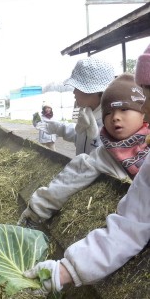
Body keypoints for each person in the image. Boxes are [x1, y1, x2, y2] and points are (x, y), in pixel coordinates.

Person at [21, 47, 150, 295]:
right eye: (110, 112)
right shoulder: (102, 141)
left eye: (128, 108)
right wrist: (64, 271)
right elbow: (130, 223)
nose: (116, 118)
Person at [18, 73, 149, 228]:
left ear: (144, 112)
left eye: (124, 109)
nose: (115, 117)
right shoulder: (104, 151)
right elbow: (73, 174)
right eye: (108, 113)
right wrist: (36, 209)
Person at [36, 57, 115, 155]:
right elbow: (79, 134)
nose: (74, 92)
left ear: (93, 91)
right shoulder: (86, 114)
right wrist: (57, 128)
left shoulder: (113, 126)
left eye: (77, 87)